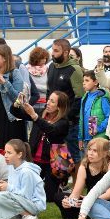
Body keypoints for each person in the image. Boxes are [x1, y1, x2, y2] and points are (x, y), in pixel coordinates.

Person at [10, 91, 70, 203]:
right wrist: (18, 102)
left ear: (59, 107)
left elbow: (51, 130)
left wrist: (34, 116)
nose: (48, 103)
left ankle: (59, 185)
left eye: (52, 101)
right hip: (35, 159)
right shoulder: (41, 112)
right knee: (26, 191)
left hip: (55, 160)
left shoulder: (64, 122)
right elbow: (16, 112)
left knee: (50, 197)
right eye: (48, 99)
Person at [46, 39, 84, 173]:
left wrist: (67, 117)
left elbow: (80, 97)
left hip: (69, 122)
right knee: (56, 154)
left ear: (66, 52)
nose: (53, 53)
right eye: (52, 50)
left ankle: (76, 189)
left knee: (73, 155)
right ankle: (59, 186)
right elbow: (48, 92)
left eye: (56, 51)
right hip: (52, 119)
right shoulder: (51, 67)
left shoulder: (75, 69)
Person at [0, 139, 46, 219]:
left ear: (19, 154)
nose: (5, 156)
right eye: (5, 152)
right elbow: (15, 188)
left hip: (34, 205)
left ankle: (29, 216)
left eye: (9, 153)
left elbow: (27, 196)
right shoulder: (11, 167)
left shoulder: (27, 172)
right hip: (22, 201)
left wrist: (8, 187)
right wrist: (3, 185)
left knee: (0, 196)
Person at [56, 138, 110, 219]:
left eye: (95, 151)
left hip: (104, 200)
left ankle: (85, 213)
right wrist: (69, 201)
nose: (90, 153)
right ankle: (85, 213)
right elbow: (76, 192)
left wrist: (88, 200)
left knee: (94, 205)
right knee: (59, 197)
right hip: (88, 199)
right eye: (89, 149)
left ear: (104, 154)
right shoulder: (84, 166)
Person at [78, 71, 110, 152]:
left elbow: (109, 117)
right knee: (86, 163)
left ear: (95, 82)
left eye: (87, 80)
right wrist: (80, 137)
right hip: (85, 139)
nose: (83, 83)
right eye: (83, 81)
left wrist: (98, 129)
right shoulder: (84, 97)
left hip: (98, 139)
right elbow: (81, 119)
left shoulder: (102, 97)